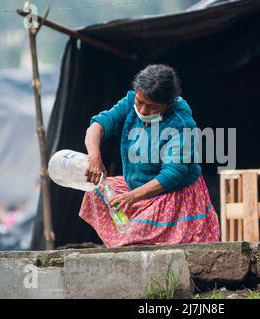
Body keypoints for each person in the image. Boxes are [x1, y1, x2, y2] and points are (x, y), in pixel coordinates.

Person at [80, 64, 220, 247]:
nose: (143, 110)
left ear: (167, 104)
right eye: (140, 102)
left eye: (152, 107)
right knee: (96, 191)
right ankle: (120, 241)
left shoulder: (181, 123)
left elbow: (172, 174)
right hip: (136, 186)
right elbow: (97, 126)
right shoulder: (130, 103)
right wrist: (94, 157)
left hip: (170, 193)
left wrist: (132, 197)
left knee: (136, 232)